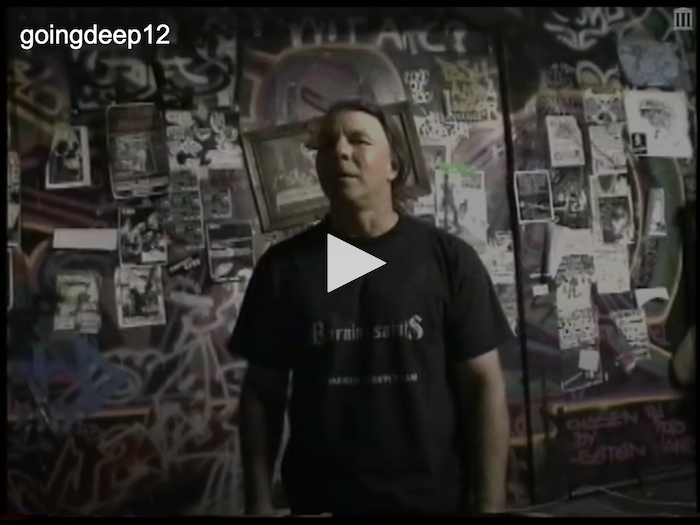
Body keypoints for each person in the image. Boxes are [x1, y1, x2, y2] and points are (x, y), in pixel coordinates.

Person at [231, 100, 513, 517]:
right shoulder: (283, 269)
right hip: (320, 504)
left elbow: (483, 384)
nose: (340, 151)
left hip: (433, 504)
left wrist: (490, 503)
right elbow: (260, 393)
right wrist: (257, 504)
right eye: (328, 144)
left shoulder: (449, 260)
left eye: (358, 140)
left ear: (393, 166)